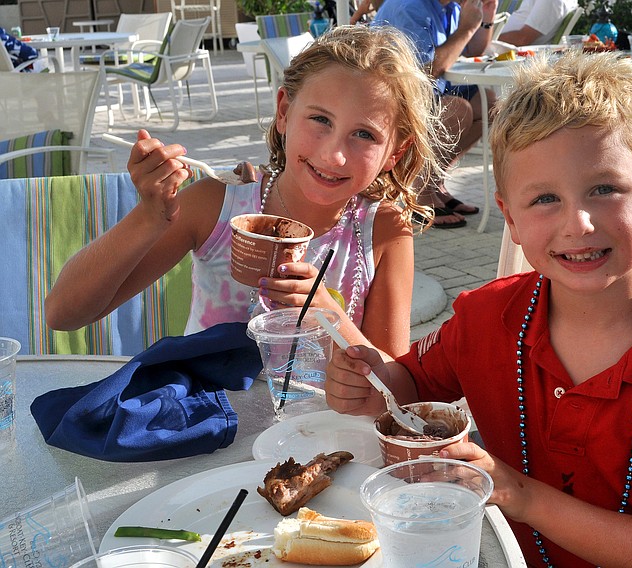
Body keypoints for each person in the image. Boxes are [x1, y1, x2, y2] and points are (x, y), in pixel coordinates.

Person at [325, 50, 632, 566]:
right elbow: (409, 386)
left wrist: (518, 493)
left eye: (605, 189)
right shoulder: (484, 318)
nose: (579, 224)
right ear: (512, 220)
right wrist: (370, 384)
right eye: (545, 199)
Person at [44, 25, 446, 359]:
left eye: (364, 134)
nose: (334, 154)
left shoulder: (384, 230)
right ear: (284, 112)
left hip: (324, 443)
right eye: (320, 119)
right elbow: (64, 313)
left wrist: (331, 319)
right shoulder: (216, 205)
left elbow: (392, 386)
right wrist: (150, 217)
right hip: (204, 436)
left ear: (396, 152)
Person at [373, 0, 499, 228]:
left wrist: (485, 20)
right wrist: (466, 29)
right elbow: (423, 72)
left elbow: (470, 50)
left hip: (424, 94)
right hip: (388, 100)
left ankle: (434, 181)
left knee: (488, 102)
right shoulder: (410, 8)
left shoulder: (450, 6)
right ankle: (419, 191)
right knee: (458, 109)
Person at [497, 0, 576, 46]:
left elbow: (522, 39)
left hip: (504, 54)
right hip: (499, 48)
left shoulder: (550, 1)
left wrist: (488, 37)